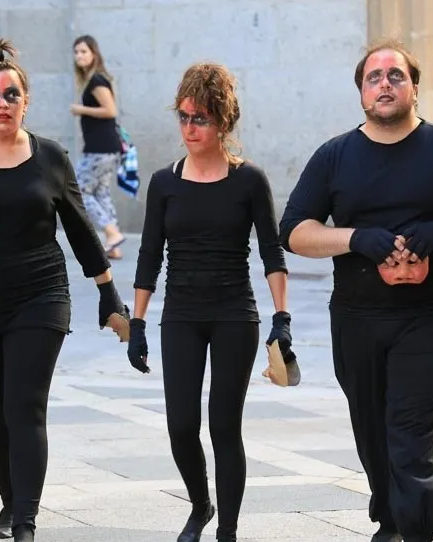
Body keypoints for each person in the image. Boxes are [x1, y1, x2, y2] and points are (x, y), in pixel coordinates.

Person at [278, 39, 433, 542]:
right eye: (374, 77)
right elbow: (295, 231)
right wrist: (355, 240)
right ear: (361, 93)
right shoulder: (335, 156)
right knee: (374, 433)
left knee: (412, 430)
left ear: (414, 88)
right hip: (358, 316)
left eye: (396, 75)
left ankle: (412, 532)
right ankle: (392, 523)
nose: (385, 84)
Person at [0, 38, 130, 542]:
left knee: (24, 405)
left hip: (40, 294)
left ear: (26, 101)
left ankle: (25, 519)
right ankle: (9, 502)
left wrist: (108, 292)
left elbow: (81, 228)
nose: (2, 103)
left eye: (12, 95)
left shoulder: (50, 157)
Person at [126, 62, 297, 542]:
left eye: (199, 118)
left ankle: (228, 530)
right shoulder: (164, 182)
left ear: (222, 121)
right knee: (181, 426)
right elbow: (149, 254)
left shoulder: (250, 181)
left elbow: (271, 252)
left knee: (224, 426)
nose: (189, 128)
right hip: (181, 314)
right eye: (183, 117)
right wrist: (137, 324)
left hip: (234, 315)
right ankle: (201, 505)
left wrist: (281, 318)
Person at [71, 35, 125, 259]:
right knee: (101, 193)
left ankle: (112, 233)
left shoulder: (96, 80)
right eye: (76, 52)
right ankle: (115, 245)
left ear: (94, 54)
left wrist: (81, 109)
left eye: (84, 51)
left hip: (100, 149)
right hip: (106, 148)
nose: (79, 56)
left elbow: (110, 111)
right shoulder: (95, 79)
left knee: (79, 191)